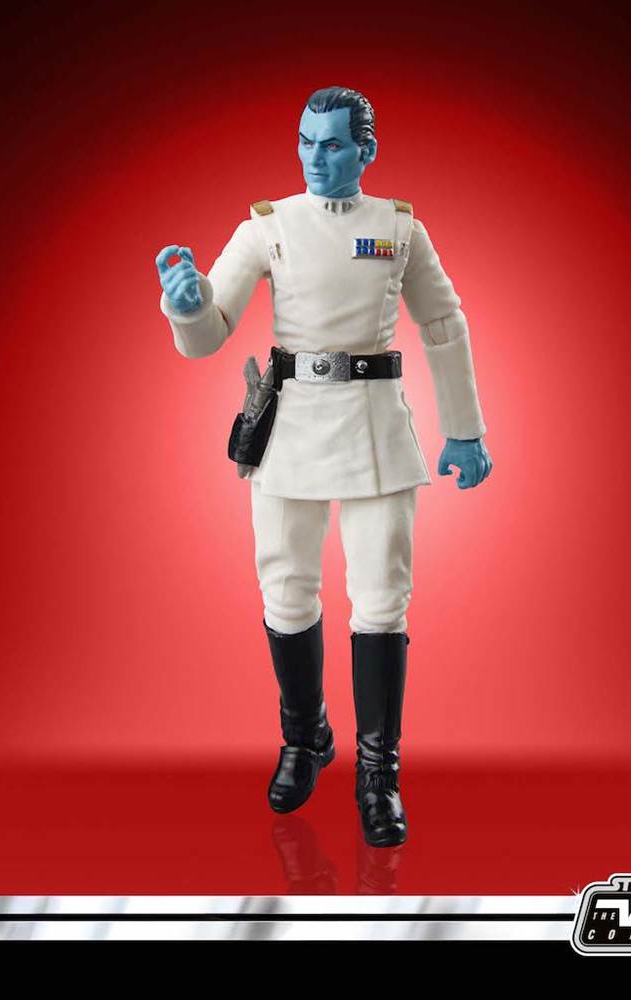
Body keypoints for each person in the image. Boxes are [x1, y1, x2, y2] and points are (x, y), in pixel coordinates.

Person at [155, 86, 491, 847]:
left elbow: (443, 322)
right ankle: (305, 738)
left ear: (365, 151)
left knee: (382, 600)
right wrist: (187, 304)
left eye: (332, 144)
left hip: (375, 426)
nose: (314, 157)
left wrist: (465, 431)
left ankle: (379, 772)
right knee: (285, 590)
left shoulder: (399, 228)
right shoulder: (267, 227)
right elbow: (210, 333)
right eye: (305, 141)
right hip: (293, 425)